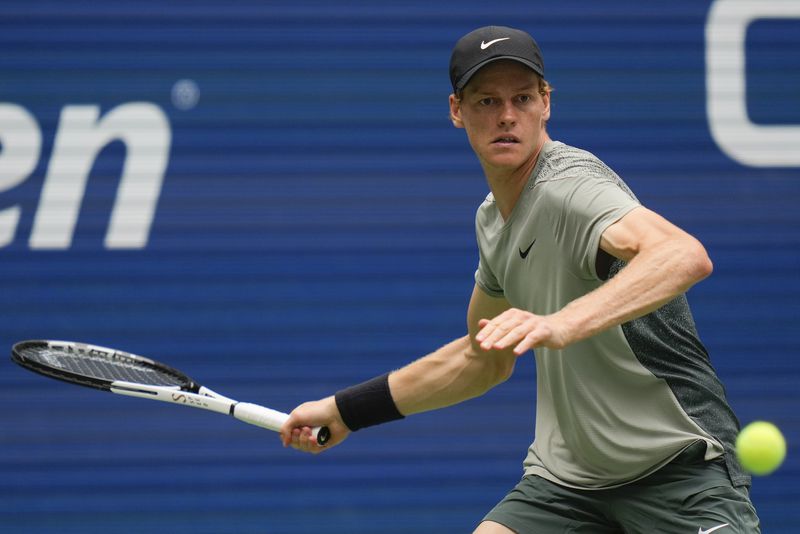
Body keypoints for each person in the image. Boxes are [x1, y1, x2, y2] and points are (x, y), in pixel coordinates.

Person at [280, 26, 761, 533]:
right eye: (487, 100)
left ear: (546, 103)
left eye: (522, 98)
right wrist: (345, 410)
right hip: (565, 486)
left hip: (679, 469)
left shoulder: (569, 186)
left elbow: (682, 254)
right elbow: (481, 358)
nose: (507, 115)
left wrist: (564, 323)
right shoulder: (493, 220)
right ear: (456, 110)